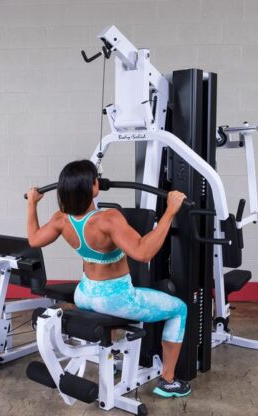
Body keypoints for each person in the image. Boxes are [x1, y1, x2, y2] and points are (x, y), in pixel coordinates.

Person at [26, 159, 190, 398]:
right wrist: (170, 211)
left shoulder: (61, 219)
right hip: (116, 299)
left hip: (84, 295)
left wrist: (32, 204)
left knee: (105, 311)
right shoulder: (108, 218)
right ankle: (168, 380)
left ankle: (112, 364)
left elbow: (34, 240)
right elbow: (144, 252)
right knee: (180, 309)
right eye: (95, 179)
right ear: (93, 187)